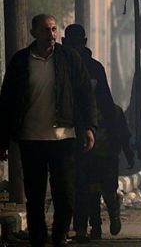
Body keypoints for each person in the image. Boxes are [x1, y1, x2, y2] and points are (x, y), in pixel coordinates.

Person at [0, 14, 97, 247]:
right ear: (34, 33)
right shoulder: (21, 62)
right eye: (46, 30)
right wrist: (3, 139)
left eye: (54, 29)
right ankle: (38, 238)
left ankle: (60, 235)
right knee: (34, 196)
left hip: (63, 137)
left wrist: (90, 127)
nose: (51, 34)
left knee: (65, 194)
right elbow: (7, 101)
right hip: (31, 138)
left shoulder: (69, 58)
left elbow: (85, 94)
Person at [62, 24, 135, 243]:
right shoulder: (71, 66)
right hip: (84, 135)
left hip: (96, 137)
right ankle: (91, 227)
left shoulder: (85, 67)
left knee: (100, 187)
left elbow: (104, 102)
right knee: (88, 187)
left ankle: (104, 218)